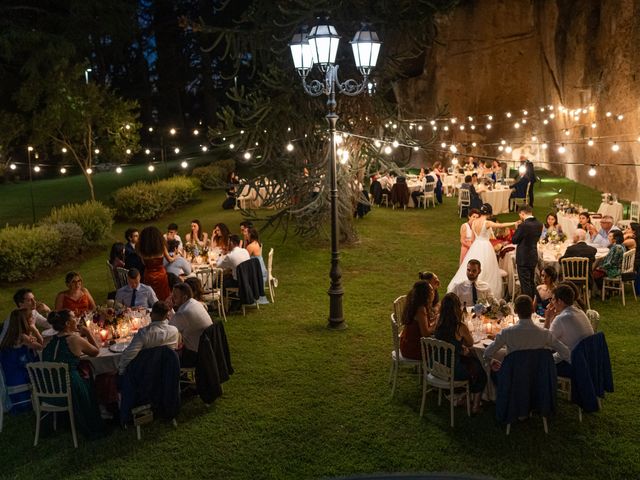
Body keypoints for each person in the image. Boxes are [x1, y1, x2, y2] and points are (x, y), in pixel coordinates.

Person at [42, 310, 105, 438]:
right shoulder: (74, 339)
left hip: (49, 389)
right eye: (74, 318)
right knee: (89, 378)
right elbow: (96, 351)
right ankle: (101, 414)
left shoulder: (49, 340)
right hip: (69, 388)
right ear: (67, 323)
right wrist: (87, 332)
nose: (76, 320)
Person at [484, 295, 570, 376]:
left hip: (514, 379)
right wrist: (548, 361)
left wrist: (492, 361)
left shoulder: (506, 333)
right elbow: (566, 352)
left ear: (515, 311)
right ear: (533, 309)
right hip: (537, 380)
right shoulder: (545, 334)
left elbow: (487, 353)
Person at [447, 203, 518, 299]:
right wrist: (514, 223)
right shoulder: (487, 223)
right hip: (485, 246)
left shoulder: (474, 222)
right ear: (489, 213)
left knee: (473, 266)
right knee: (487, 268)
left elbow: (472, 238)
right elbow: (500, 225)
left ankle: (469, 289)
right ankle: (481, 291)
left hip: (476, 246)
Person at [434, 292, 486, 413]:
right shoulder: (460, 327)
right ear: (457, 308)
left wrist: (459, 347)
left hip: (436, 364)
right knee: (480, 371)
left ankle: (461, 397)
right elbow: (470, 343)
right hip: (452, 369)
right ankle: (475, 406)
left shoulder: (438, 322)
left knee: (471, 360)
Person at [543, 284, 594, 376]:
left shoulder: (562, 318)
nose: (551, 303)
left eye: (553, 299)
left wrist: (548, 318)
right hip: (589, 359)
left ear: (561, 302)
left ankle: (544, 388)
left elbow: (545, 343)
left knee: (539, 361)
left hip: (575, 364)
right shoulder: (580, 311)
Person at [118, 301, 179, 375]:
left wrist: (121, 370)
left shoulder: (144, 333)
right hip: (168, 372)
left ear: (151, 314)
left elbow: (130, 354)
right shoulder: (174, 331)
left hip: (146, 374)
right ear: (167, 316)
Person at [0, 309, 43, 412]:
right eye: (30, 319)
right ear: (24, 321)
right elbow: (41, 347)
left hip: (10, 376)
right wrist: (34, 329)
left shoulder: (8, 336)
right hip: (20, 376)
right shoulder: (22, 337)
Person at [169, 283, 213, 367]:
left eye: (175, 297)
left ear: (184, 297)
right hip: (207, 349)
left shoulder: (183, 312)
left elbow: (168, 330)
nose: (172, 299)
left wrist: (167, 309)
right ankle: (183, 377)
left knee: (163, 355)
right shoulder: (195, 303)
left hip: (195, 355)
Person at [511, 204, 543, 298]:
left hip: (523, 258)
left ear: (522, 213)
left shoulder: (524, 225)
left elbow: (514, 240)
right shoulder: (539, 224)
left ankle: (527, 305)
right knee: (531, 282)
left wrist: (517, 228)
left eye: (520, 215)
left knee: (525, 284)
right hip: (533, 255)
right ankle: (534, 303)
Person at [399, 281, 436, 361]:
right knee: (441, 349)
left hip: (407, 343)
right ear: (425, 294)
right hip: (413, 349)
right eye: (431, 290)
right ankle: (436, 371)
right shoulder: (421, 309)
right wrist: (435, 324)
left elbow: (423, 324)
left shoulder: (415, 303)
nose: (434, 292)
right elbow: (425, 334)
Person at [137, 226, 172, 300]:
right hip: (161, 275)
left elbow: (143, 263)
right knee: (164, 295)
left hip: (148, 275)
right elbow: (169, 259)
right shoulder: (162, 247)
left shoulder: (142, 249)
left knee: (150, 296)